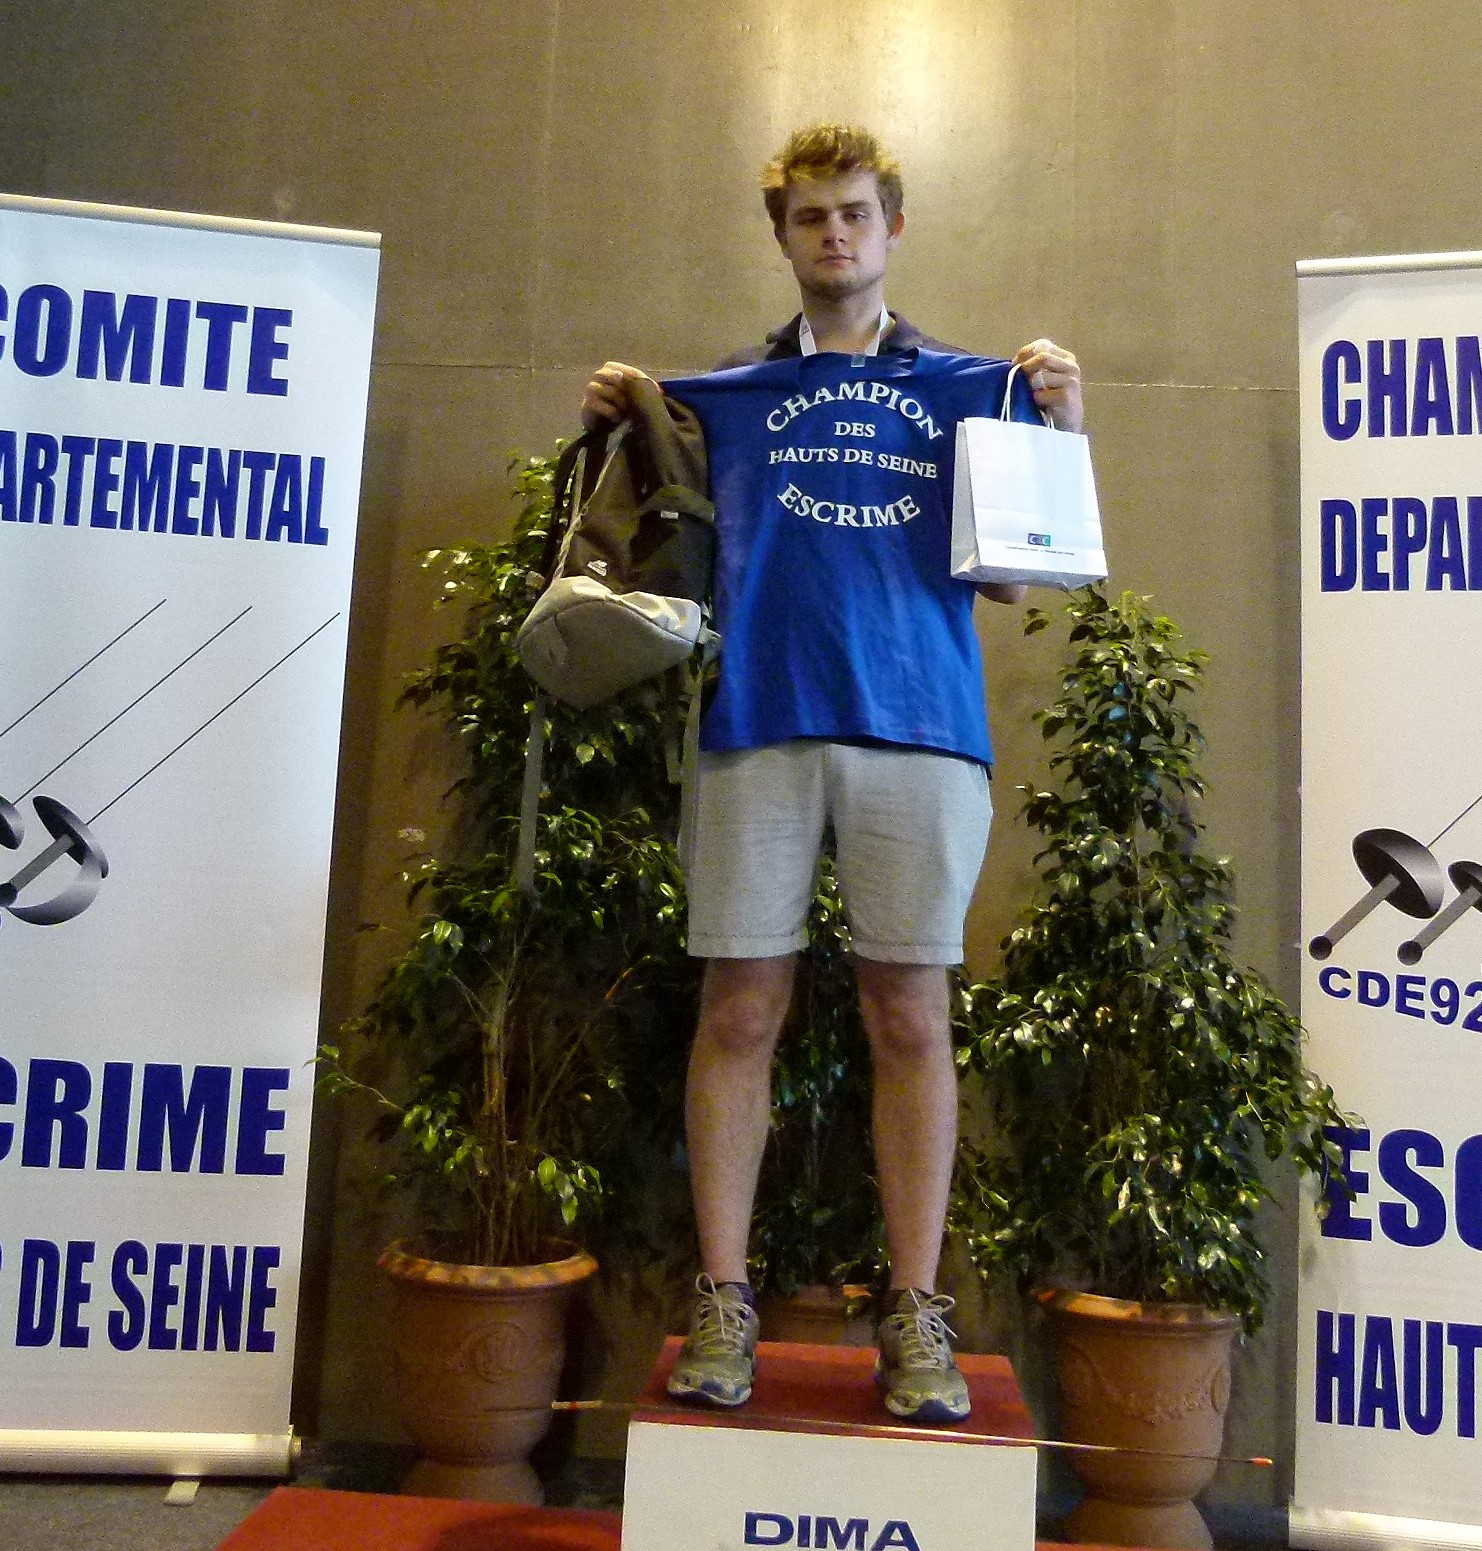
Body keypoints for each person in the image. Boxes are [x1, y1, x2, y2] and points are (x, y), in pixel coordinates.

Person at [580, 123, 1083, 1424]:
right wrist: (622, 421)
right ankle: (722, 1298)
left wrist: (1060, 426)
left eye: (855, 212)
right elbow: (641, 545)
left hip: (921, 725)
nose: (836, 235)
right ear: (784, 237)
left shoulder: (971, 389)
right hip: (757, 720)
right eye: (811, 217)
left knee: (909, 1017)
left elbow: (1017, 580)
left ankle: (913, 1312)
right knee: (739, 1011)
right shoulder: (723, 399)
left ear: (892, 227)